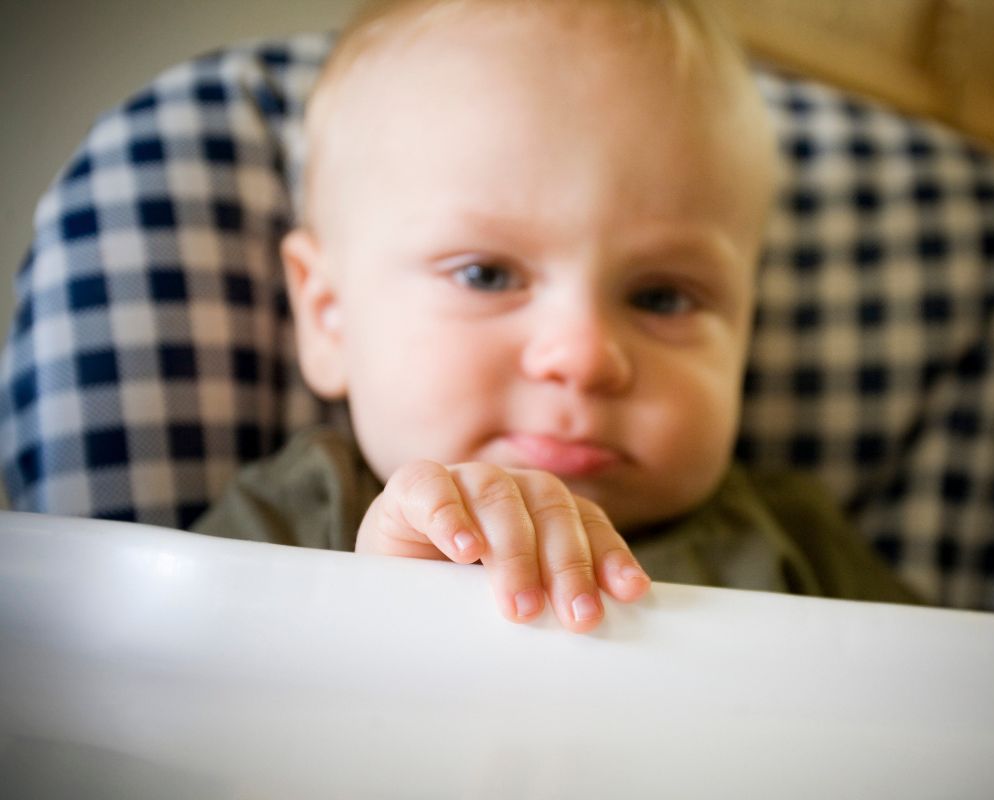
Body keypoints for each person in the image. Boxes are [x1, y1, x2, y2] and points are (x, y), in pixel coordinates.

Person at [193, 0, 921, 631]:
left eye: (661, 297)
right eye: (486, 274)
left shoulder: (799, 545)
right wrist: (383, 607)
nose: (583, 355)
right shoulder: (284, 529)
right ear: (329, 317)